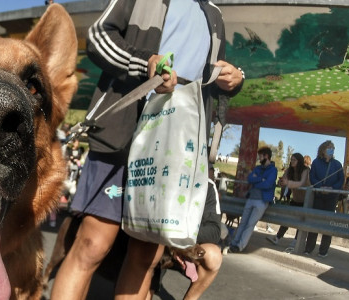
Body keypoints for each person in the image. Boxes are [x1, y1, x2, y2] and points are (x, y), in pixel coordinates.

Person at [50, 1, 244, 298]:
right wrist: (145, 63)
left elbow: (208, 78)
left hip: (173, 150)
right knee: (93, 244)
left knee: (145, 259)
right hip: (121, 137)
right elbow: (99, 36)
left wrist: (232, 79)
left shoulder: (214, 15)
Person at [149, 167, 223, 300]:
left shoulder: (207, 186)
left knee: (214, 255)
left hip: (186, 244)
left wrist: (182, 234)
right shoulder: (164, 174)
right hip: (158, 241)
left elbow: (215, 230)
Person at [225, 147, 277, 254]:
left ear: (266, 156)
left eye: (260, 156)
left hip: (262, 201)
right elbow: (250, 179)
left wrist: (257, 179)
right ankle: (233, 243)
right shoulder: (257, 168)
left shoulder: (273, 170)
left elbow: (268, 184)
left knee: (250, 224)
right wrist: (260, 179)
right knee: (243, 222)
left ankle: (240, 246)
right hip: (251, 198)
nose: (259, 158)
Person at [303, 141, 345, 257]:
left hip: (331, 197)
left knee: (328, 224)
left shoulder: (337, 164)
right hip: (319, 196)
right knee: (314, 222)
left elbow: (341, 179)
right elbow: (312, 177)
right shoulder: (316, 163)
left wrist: (332, 188)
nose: (331, 150)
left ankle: (323, 250)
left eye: (333, 148)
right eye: (329, 148)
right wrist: (320, 187)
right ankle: (309, 248)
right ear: (323, 150)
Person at [268, 153, 310, 252]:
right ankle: (277, 238)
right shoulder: (289, 170)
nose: (292, 161)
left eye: (294, 160)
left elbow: (302, 183)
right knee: (287, 219)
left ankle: (296, 241)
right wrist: (281, 182)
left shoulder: (306, 170)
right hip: (295, 199)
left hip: (305, 201)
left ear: (299, 161)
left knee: (300, 221)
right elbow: (284, 179)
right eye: (291, 159)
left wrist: (288, 183)